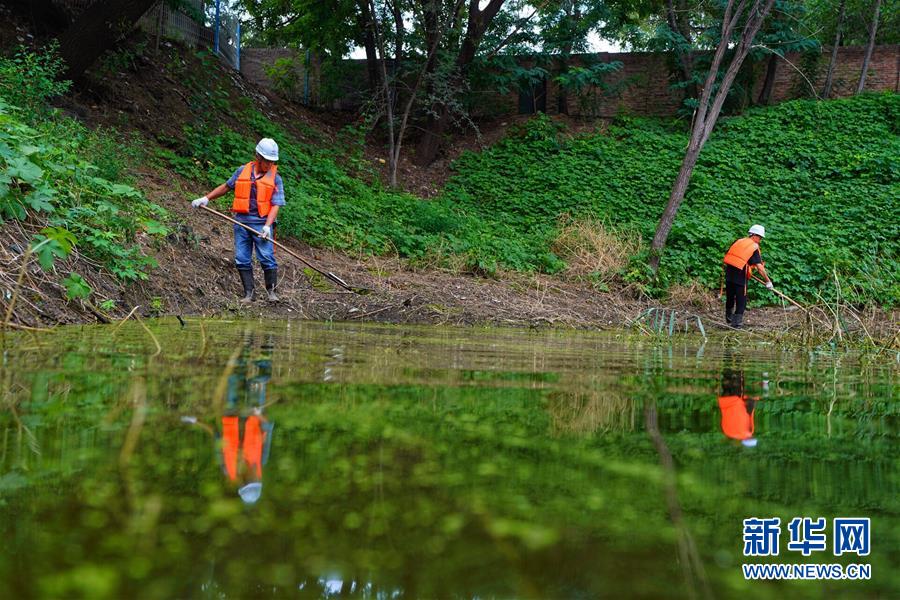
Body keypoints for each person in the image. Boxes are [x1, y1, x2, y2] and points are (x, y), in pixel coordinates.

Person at [191, 138, 285, 303]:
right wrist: (206, 198)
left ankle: (272, 293)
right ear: (258, 157)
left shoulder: (275, 178)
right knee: (242, 258)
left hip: (262, 224)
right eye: (267, 161)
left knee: (266, 257)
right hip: (242, 222)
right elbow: (226, 187)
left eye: (272, 162)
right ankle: (249, 294)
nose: (269, 165)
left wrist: (267, 226)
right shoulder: (243, 171)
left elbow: (276, 204)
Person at [722, 224, 774, 329]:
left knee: (730, 296)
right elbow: (760, 268)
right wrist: (768, 281)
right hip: (740, 277)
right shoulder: (753, 247)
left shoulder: (738, 241)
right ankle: (736, 324)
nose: (760, 240)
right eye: (760, 238)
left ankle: (729, 318)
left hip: (729, 274)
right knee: (741, 300)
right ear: (754, 235)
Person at [718, 360, 768, 448]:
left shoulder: (749, 431)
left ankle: (738, 358)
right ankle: (727, 356)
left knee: (737, 375)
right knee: (727, 377)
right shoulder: (727, 432)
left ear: (750, 438)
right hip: (724, 401)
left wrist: (756, 397)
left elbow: (748, 410)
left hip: (736, 400)